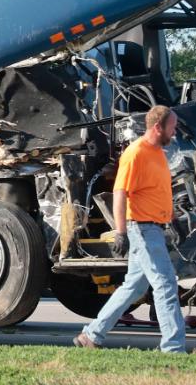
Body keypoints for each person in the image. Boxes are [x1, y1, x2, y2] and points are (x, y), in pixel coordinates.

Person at [74, 105, 187, 353]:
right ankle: (174, 348)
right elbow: (120, 192)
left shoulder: (159, 153)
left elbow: (158, 191)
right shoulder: (135, 153)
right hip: (143, 229)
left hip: (154, 227)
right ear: (158, 127)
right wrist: (121, 231)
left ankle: (91, 335)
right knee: (165, 284)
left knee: (134, 287)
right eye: (172, 126)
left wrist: (173, 219)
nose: (175, 130)